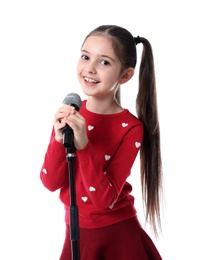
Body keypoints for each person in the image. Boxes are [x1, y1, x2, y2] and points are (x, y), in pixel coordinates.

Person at [40, 24, 163, 260]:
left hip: (117, 236)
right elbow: (50, 181)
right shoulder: (72, 114)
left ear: (125, 75)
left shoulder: (131, 128)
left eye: (104, 62)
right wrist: (58, 140)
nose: (90, 68)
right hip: (76, 232)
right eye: (86, 56)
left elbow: (103, 199)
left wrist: (85, 146)